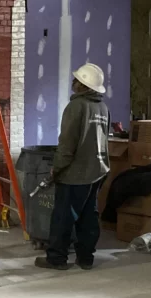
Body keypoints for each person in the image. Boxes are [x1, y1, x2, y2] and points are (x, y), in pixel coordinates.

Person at [35, 63, 109, 271]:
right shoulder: (102, 107)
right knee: (88, 216)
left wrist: (57, 167)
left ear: (83, 85)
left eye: (77, 80)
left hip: (75, 173)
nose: (73, 83)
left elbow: (67, 143)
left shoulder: (76, 107)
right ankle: (86, 258)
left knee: (63, 217)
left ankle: (57, 258)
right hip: (97, 171)